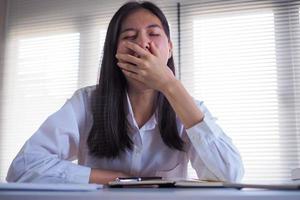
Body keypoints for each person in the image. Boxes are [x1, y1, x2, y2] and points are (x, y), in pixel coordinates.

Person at [6, 1, 244, 184]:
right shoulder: (86, 103)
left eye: (154, 34)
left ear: (169, 49)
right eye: (130, 37)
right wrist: (113, 177)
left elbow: (230, 175)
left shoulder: (189, 108)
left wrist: (170, 85)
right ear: (115, 53)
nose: (143, 44)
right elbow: (23, 167)